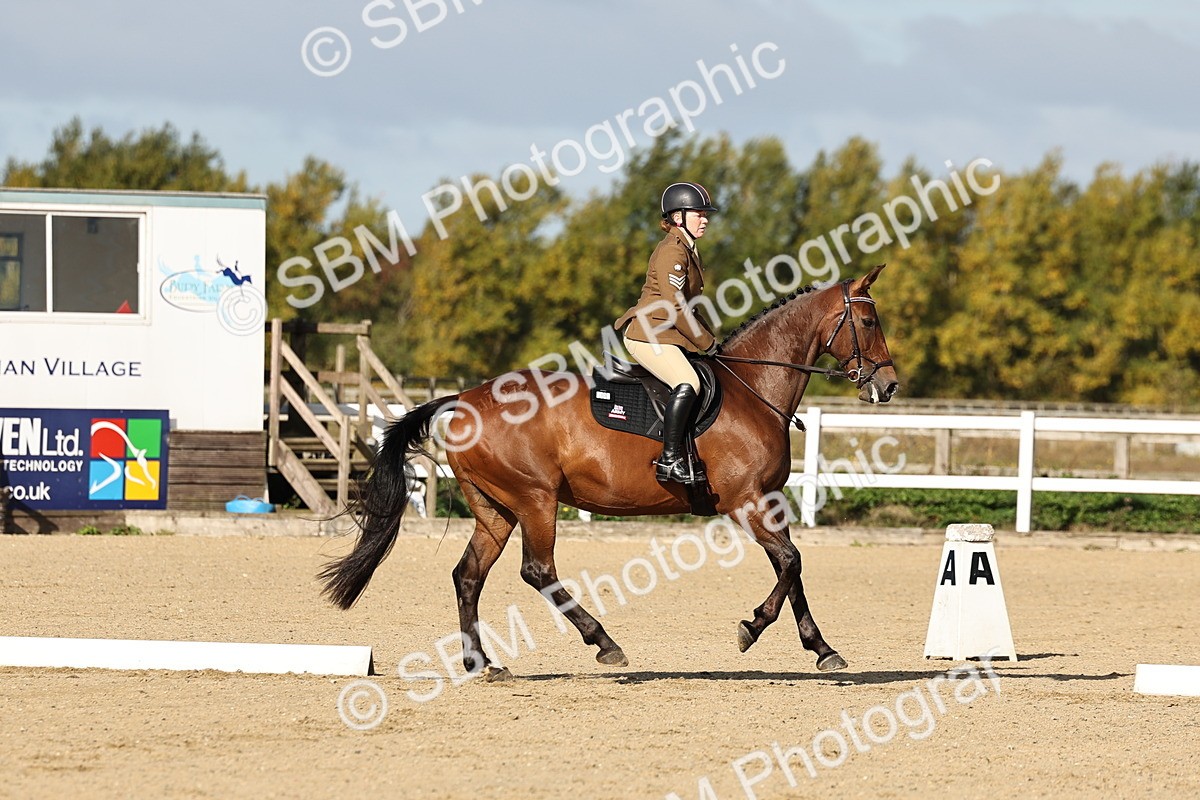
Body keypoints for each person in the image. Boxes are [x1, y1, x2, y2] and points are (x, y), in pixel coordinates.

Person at [613, 181, 719, 485]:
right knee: (688, 382)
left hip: (666, 333)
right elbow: (675, 304)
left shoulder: (687, 249)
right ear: (677, 217)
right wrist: (705, 341)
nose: (705, 218)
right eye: (698, 213)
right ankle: (669, 461)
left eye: (705, 213)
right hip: (647, 334)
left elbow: (690, 306)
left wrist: (714, 344)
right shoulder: (671, 251)